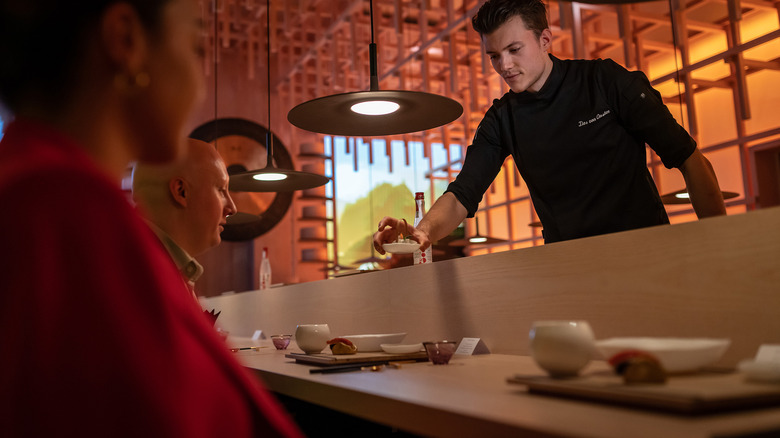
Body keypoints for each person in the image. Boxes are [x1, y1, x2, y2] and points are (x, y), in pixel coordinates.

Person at [0, 1, 301, 437]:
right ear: (126, 40)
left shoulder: (46, 192)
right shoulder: (61, 213)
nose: (200, 84)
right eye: (196, 45)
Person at [374, 0, 726, 251]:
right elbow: (463, 194)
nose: (504, 65)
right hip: (566, 265)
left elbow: (690, 159)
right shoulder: (501, 119)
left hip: (647, 250)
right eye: (494, 55)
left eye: (514, 49)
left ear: (544, 39)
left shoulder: (606, 81)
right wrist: (421, 231)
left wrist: (718, 247)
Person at [132, 138, 237, 296]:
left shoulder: (154, 268)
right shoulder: (139, 277)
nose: (232, 208)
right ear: (181, 191)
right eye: (221, 190)